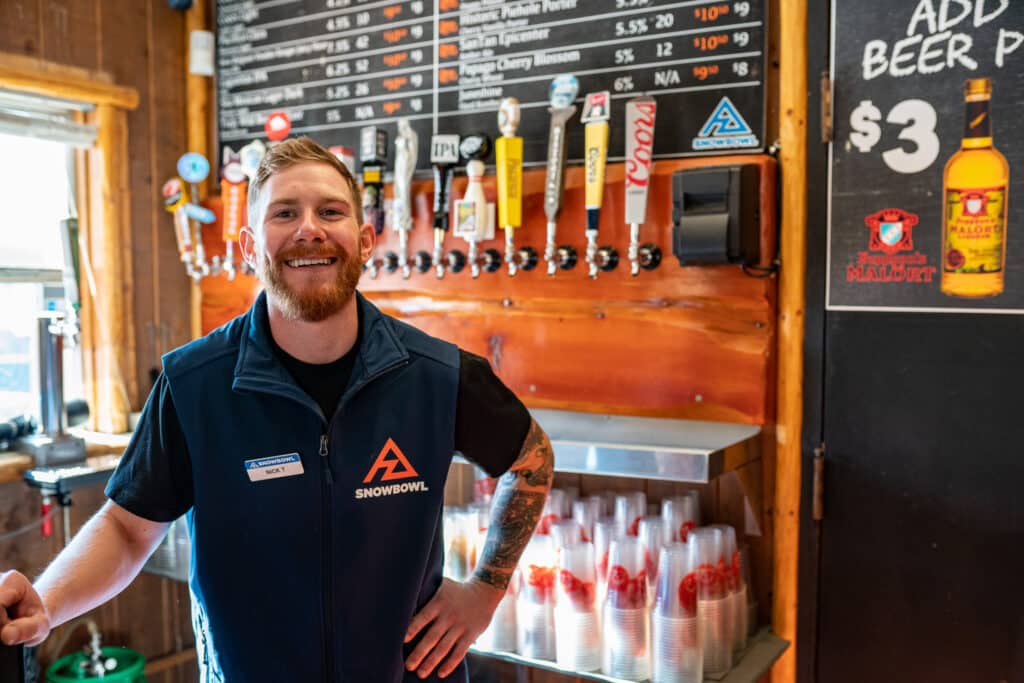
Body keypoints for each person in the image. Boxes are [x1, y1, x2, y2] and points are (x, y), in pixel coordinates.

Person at [0, 137, 554, 682]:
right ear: (249, 247)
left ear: (364, 241)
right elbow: (126, 528)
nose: (308, 227)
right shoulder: (194, 386)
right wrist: (46, 604)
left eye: (330, 211)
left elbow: (531, 459)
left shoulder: (439, 376)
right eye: (284, 212)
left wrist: (485, 590)